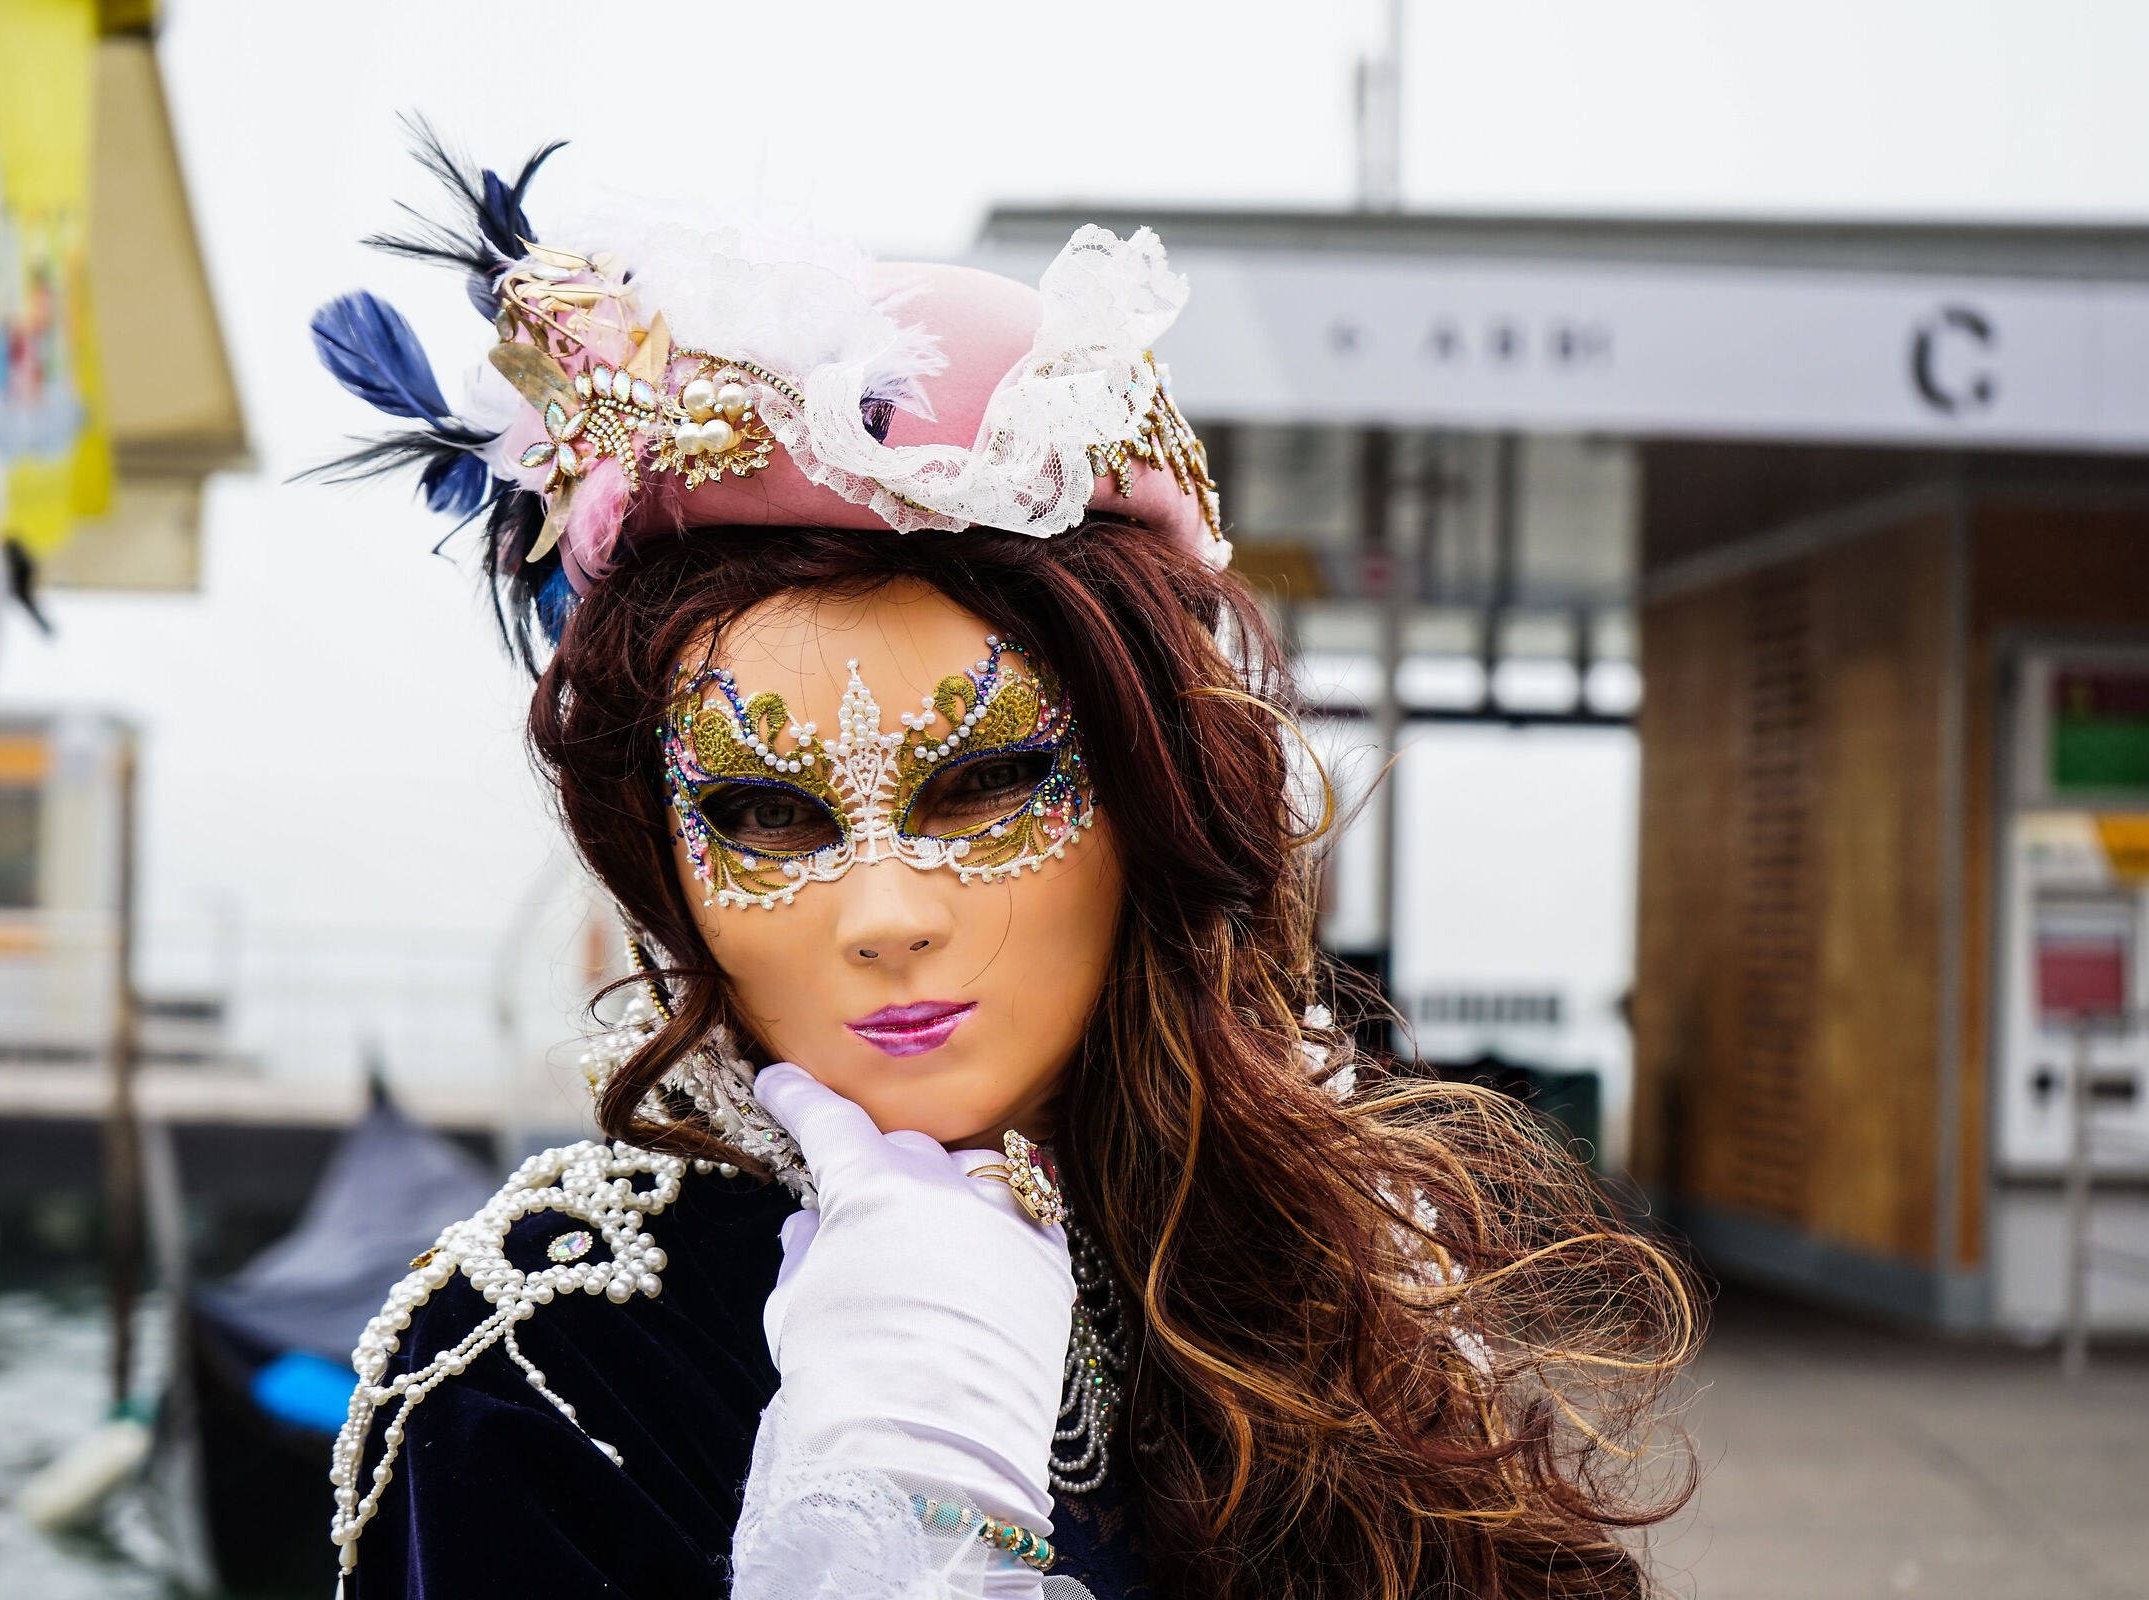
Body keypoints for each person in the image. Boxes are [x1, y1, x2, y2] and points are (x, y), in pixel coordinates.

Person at [313, 130, 1698, 1600]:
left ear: (1152, 800)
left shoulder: (1326, 1274)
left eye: (986, 788)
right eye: (767, 817)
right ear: (662, 854)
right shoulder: (547, 1363)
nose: (889, 918)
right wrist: (895, 1520)